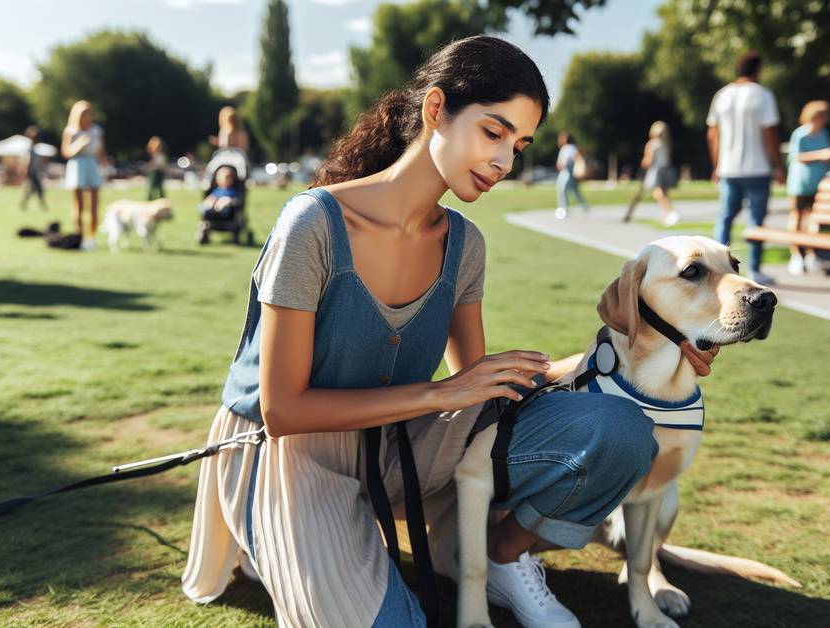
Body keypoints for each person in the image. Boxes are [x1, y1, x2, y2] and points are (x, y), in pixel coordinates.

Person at [180, 35, 721, 628]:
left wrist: (641, 347)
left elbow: (489, 394)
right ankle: (274, 541)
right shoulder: (311, 224)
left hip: (399, 441)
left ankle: (501, 553)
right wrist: (442, 393)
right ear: (435, 110)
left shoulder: (464, 244)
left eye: (519, 144)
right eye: (494, 133)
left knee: (618, 430)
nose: (504, 161)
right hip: (286, 453)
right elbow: (282, 409)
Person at [706, 51, 785, 286]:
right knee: (756, 221)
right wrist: (779, 165)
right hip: (757, 168)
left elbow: (713, 133)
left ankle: (716, 267)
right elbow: (770, 133)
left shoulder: (722, 95)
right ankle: (755, 269)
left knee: (725, 218)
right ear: (757, 70)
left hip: (729, 168)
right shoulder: (762, 95)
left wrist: (716, 164)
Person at [785, 101, 830, 275]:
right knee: (797, 217)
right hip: (800, 184)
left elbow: (827, 153)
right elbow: (797, 156)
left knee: (812, 219)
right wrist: (820, 155)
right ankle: (796, 254)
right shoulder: (800, 134)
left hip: (817, 183)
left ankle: (811, 253)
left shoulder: (823, 134)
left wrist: (829, 156)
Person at [61, 100, 107, 251]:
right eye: (84, 114)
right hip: (77, 164)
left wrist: (104, 165)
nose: (87, 116)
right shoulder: (71, 131)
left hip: (92, 164)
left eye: (89, 113)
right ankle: (79, 237)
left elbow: (101, 151)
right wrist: (78, 145)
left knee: (94, 206)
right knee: (79, 206)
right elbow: (65, 152)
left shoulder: (97, 131)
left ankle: (92, 237)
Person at [623, 121, 679, 225]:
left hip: (655, 170)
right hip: (665, 169)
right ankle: (667, 213)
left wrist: (643, 165)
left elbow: (648, 160)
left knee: (656, 192)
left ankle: (670, 212)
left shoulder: (652, 144)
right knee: (664, 192)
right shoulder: (666, 144)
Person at [554, 131, 589, 219]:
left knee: (562, 189)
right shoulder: (564, 148)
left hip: (569, 173)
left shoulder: (571, 147)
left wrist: (579, 166)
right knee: (575, 191)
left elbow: (577, 156)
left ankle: (564, 209)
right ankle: (584, 206)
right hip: (564, 172)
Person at [18, 126, 48, 211]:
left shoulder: (34, 147)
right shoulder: (30, 146)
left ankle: (23, 205)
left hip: (34, 172)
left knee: (30, 190)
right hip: (31, 172)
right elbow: (27, 159)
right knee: (37, 189)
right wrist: (26, 171)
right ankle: (41, 205)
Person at [145, 136, 167, 200]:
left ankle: (161, 199)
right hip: (154, 172)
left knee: (158, 188)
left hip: (158, 172)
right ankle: (151, 199)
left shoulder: (160, 155)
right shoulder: (155, 155)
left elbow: (161, 165)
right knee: (152, 188)